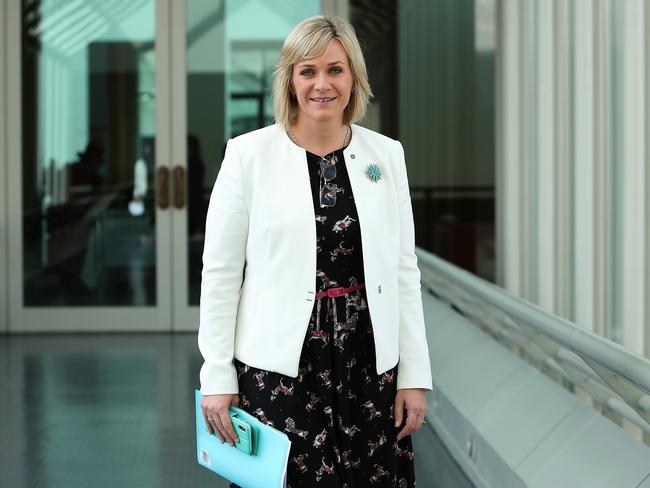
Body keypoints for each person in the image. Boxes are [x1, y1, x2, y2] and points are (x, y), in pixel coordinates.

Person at [198, 15, 433, 487]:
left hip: (369, 362)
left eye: (335, 70)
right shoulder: (247, 156)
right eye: (308, 71)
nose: (322, 84)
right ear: (289, 80)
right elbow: (221, 274)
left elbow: (405, 271)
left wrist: (414, 374)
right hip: (279, 367)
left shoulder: (386, 157)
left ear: (354, 79)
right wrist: (217, 376)